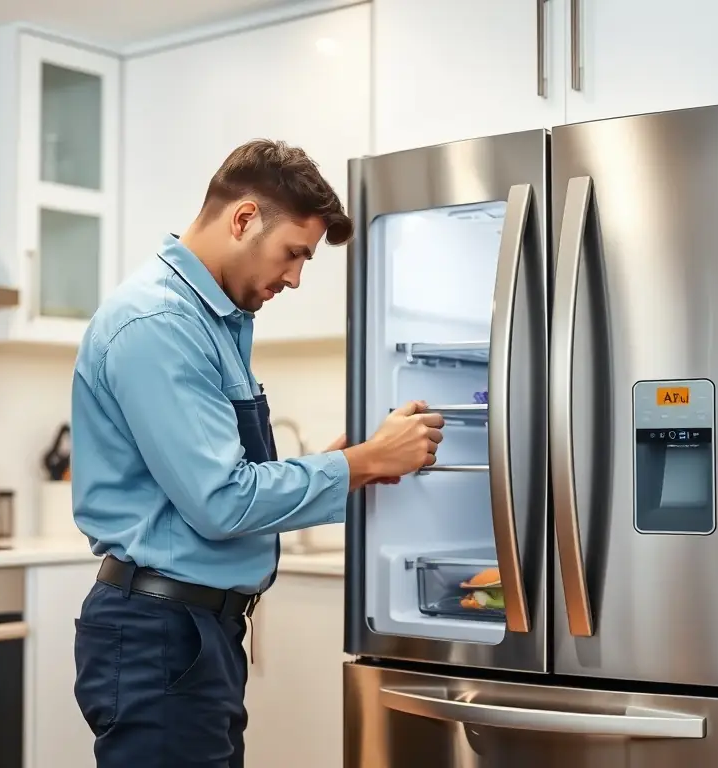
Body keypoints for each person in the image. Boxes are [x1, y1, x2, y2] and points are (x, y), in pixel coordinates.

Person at [70, 138, 444, 768]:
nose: (296, 278)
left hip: (190, 631)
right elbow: (220, 502)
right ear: (244, 219)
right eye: (294, 253)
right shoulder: (159, 324)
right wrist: (360, 463)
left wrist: (350, 468)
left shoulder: (210, 320)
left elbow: (219, 480)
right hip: (160, 632)